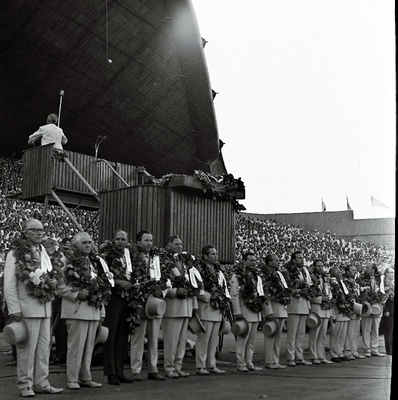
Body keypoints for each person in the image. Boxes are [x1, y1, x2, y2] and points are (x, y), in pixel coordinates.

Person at [4, 218, 63, 397]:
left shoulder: (44, 251)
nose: (40, 233)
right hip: (27, 308)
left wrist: (53, 282)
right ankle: (25, 384)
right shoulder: (15, 253)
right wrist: (14, 309)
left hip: (45, 306)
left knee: (44, 348)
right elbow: (9, 284)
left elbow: (49, 274)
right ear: (26, 232)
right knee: (27, 349)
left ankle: (42, 382)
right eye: (35, 230)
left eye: (42, 230)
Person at [59, 232, 112, 390]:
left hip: (93, 309)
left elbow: (100, 286)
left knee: (89, 347)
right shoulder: (66, 260)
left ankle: (85, 376)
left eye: (90, 242)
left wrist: (102, 312)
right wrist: (74, 294)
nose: (88, 245)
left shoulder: (95, 262)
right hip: (77, 309)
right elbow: (59, 285)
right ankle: (72, 378)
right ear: (75, 245)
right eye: (84, 243)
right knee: (76, 346)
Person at [129, 230, 167, 381]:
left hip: (154, 301)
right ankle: (136, 370)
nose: (149, 243)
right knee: (138, 338)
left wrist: (161, 292)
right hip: (139, 301)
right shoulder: (133, 257)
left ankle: (153, 368)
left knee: (153, 338)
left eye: (151, 240)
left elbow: (164, 278)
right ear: (138, 242)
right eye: (146, 240)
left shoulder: (156, 258)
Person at [160, 235, 200, 378]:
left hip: (186, 306)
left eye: (181, 244)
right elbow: (160, 282)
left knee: (182, 341)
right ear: (168, 245)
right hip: (173, 307)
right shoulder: (163, 261)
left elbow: (192, 283)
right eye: (176, 244)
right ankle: (169, 367)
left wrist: (194, 304)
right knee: (171, 341)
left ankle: (178, 366)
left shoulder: (184, 263)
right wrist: (173, 292)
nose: (179, 246)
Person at [100, 230, 133, 385]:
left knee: (122, 336)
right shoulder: (106, 255)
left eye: (123, 239)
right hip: (113, 298)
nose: (120, 241)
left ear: (127, 241)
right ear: (113, 240)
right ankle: (111, 372)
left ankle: (120, 371)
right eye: (118, 239)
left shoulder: (130, 255)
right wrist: (118, 282)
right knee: (111, 335)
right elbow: (103, 275)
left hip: (127, 297)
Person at [195, 245, 231, 375]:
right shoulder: (199, 270)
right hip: (206, 306)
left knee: (214, 339)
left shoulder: (218, 272)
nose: (216, 256)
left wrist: (223, 301)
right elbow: (198, 289)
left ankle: (211, 364)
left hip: (217, 307)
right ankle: (200, 365)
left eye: (216, 254)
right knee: (204, 338)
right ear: (205, 256)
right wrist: (211, 297)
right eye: (212, 254)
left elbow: (224, 288)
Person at [230, 252, 264, 372]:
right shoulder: (238, 275)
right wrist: (237, 312)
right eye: (250, 260)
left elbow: (260, 293)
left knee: (251, 341)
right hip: (244, 310)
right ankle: (241, 363)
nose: (253, 262)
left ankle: (249, 362)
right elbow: (234, 294)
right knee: (242, 339)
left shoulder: (257, 276)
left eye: (255, 260)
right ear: (244, 261)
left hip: (255, 311)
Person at [260, 253, 292, 369]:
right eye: (276, 260)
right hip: (273, 305)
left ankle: (275, 360)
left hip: (281, 305)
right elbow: (267, 291)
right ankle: (269, 361)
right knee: (271, 335)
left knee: (277, 337)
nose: (279, 262)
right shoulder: (266, 274)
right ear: (269, 262)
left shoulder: (278, 274)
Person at [284, 251, 313, 366]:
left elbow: (309, 284)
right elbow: (288, 286)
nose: (302, 260)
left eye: (303, 258)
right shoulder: (288, 271)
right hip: (294, 304)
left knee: (301, 333)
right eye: (299, 258)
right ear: (293, 260)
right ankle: (291, 357)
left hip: (304, 303)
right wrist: (299, 291)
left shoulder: (305, 271)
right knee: (292, 333)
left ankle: (299, 357)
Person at [307, 259, 333, 364]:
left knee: (322, 334)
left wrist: (328, 298)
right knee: (315, 333)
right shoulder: (311, 278)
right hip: (316, 306)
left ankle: (321, 356)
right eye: (318, 266)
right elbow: (310, 294)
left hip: (326, 307)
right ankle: (313, 356)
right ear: (313, 267)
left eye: (322, 266)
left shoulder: (325, 278)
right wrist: (321, 299)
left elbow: (329, 291)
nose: (320, 268)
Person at [357, 263, 386, 357]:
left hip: (377, 306)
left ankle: (374, 348)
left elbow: (382, 291)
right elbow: (360, 291)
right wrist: (366, 301)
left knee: (375, 329)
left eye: (368, 268)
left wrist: (380, 301)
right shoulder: (361, 278)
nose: (366, 269)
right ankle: (367, 349)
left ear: (373, 269)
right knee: (366, 329)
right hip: (367, 305)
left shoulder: (379, 279)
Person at [328, 266, 352, 362]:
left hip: (344, 308)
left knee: (342, 333)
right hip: (337, 308)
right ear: (332, 273)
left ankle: (340, 351)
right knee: (336, 333)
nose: (339, 273)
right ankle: (334, 354)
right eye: (337, 272)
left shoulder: (342, 282)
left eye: (339, 271)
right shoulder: (332, 282)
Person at [342, 264, 365, 360]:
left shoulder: (356, 282)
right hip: (350, 308)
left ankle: (354, 351)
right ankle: (347, 351)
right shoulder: (345, 282)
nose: (354, 272)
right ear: (347, 272)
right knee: (350, 331)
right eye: (352, 270)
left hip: (357, 307)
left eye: (355, 270)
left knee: (356, 331)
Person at [382, 267, 394, 356]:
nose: (393, 274)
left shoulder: (392, 283)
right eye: (391, 272)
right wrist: (385, 309)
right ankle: (389, 350)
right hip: (389, 310)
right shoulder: (384, 283)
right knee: (388, 331)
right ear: (386, 274)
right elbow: (383, 298)